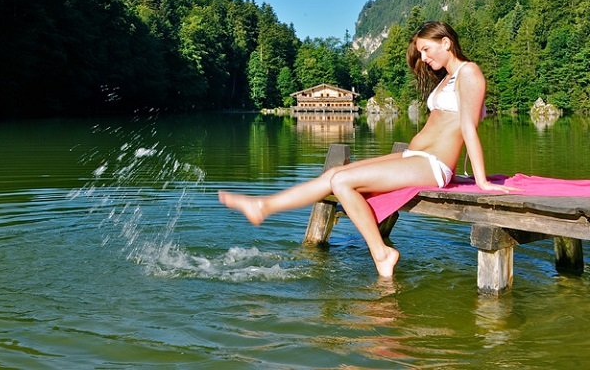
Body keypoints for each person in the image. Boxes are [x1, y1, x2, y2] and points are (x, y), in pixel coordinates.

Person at [218, 21, 519, 277]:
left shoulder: (470, 73)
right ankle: (264, 207)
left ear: (446, 42)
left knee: (342, 181)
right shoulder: (448, 79)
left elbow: (468, 127)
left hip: (433, 165)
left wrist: (481, 180)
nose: (424, 58)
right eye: (421, 52)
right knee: (335, 174)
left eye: (427, 50)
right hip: (416, 158)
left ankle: (381, 253)